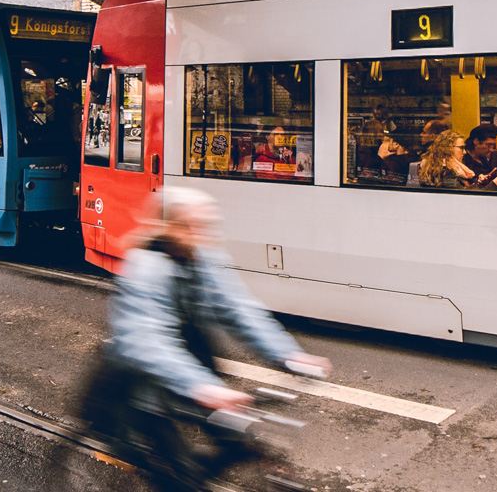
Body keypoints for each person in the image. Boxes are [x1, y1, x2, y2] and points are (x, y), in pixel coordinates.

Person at [78, 188, 329, 491]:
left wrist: (289, 355)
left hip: (192, 374)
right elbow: (147, 340)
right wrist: (203, 387)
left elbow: (237, 309)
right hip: (142, 388)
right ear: (168, 227)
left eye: (204, 226)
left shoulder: (203, 259)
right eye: (188, 225)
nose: (199, 234)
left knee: (237, 442)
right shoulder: (145, 267)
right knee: (181, 477)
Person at [462, 124, 497, 190]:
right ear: (476, 141)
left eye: (493, 146)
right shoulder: (463, 160)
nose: (491, 149)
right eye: (488, 145)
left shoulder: (483, 158)